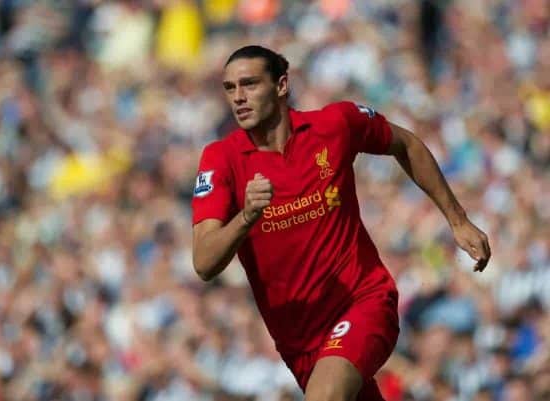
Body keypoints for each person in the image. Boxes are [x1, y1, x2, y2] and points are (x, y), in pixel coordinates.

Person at [191, 45, 491, 401]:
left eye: (250, 84)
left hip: (363, 301)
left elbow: (406, 144)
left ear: (282, 85)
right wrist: (246, 217)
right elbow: (205, 263)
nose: (238, 97)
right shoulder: (221, 159)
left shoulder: (334, 125)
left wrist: (458, 220)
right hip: (300, 343)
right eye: (229, 88)